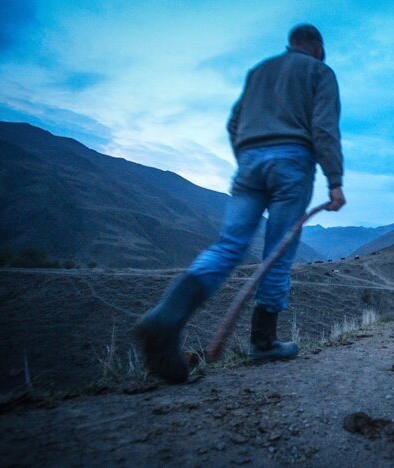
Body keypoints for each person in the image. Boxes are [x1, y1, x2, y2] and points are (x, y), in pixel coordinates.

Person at [134, 24, 345, 384]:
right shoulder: (319, 71)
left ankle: (166, 317)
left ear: (290, 43)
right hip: (292, 163)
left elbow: (234, 123)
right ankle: (263, 342)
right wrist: (335, 180)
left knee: (229, 245)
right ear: (317, 47)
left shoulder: (258, 71)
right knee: (277, 252)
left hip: (249, 164)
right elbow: (324, 127)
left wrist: (247, 154)